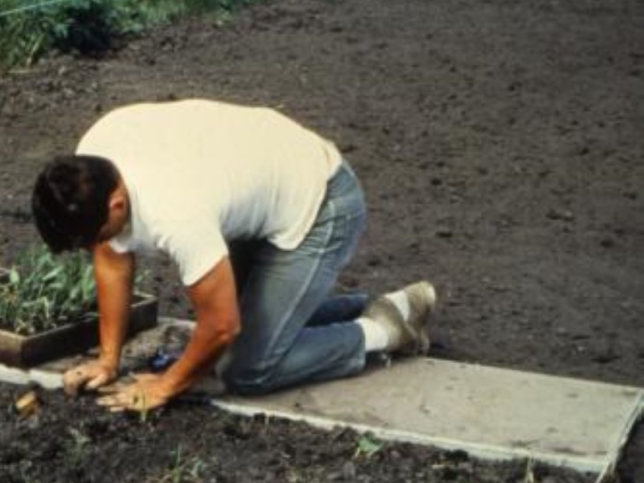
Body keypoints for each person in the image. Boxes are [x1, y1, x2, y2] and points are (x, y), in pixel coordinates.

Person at [30, 98, 436, 412]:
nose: (92, 248)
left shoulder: (173, 209)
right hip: (256, 184)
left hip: (322, 200)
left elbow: (222, 325)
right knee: (234, 341)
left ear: (117, 204)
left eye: (92, 237)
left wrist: (166, 385)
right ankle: (381, 307)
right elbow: (112, 261)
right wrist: (107, 360)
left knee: (246, 368)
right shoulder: (91, 163)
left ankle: (384, 332)